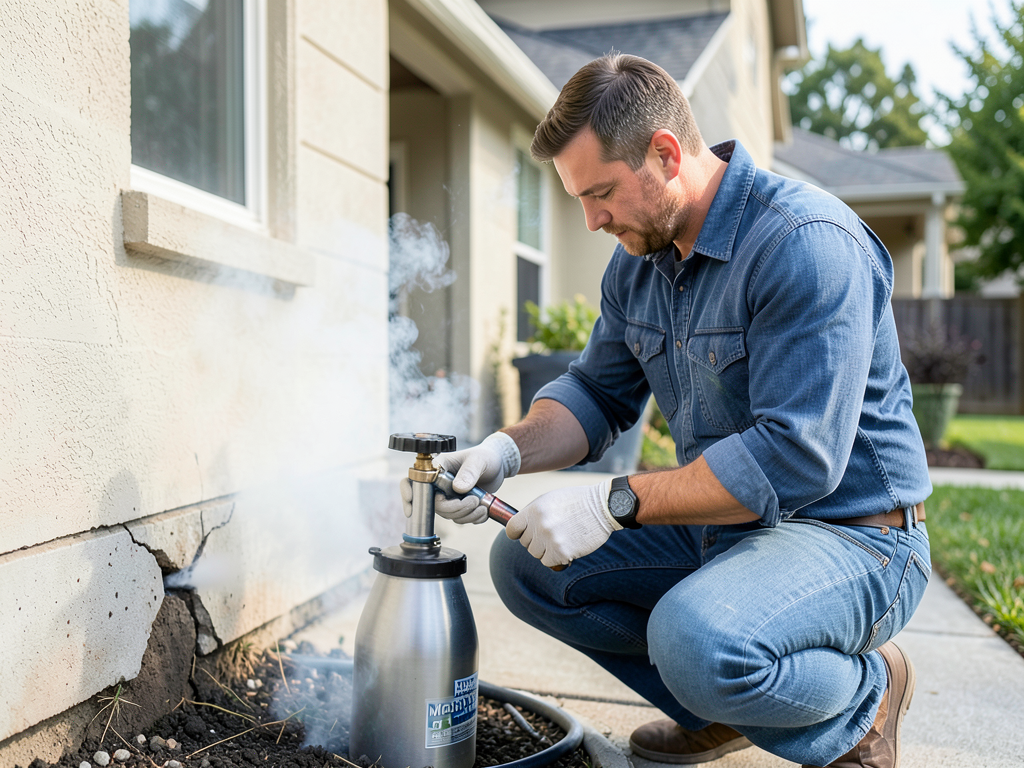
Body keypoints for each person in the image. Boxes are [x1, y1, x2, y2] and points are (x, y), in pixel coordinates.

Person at [429, 54, 932, 768]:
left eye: (600, 191)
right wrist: (503, 452)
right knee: (525, 566)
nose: (592, 218)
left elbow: (797, 458)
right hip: (726, 528)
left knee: (693, 640)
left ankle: (865, 700)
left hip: (853, 539)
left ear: (666, 153)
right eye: (579, 198)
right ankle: (716, 708)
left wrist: (614, 502)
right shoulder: (638, 261)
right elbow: (598, 394)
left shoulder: (805, 244)